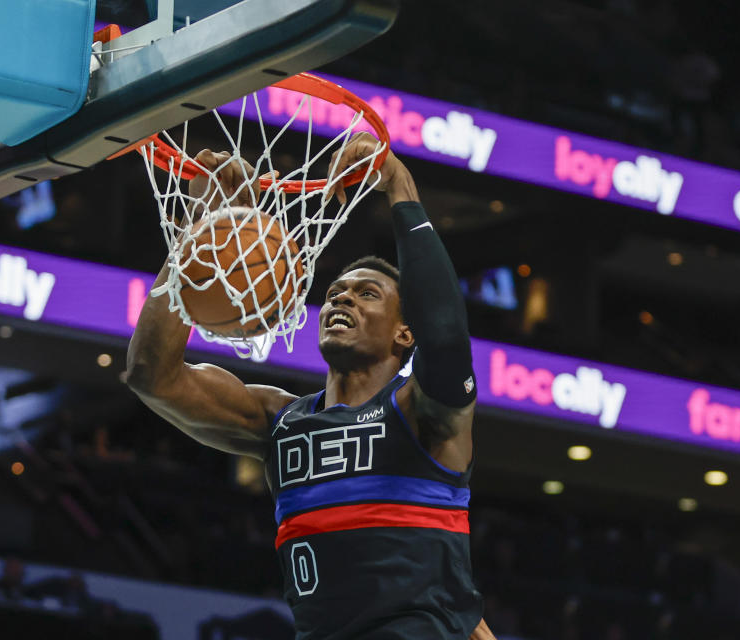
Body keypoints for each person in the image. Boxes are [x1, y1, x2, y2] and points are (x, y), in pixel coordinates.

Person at [125, 132, 495, 640]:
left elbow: (448, 334)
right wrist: (202, 230)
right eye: (336, 292)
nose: (343, 300)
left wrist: (399, 187)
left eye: (368, 294)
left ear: (406, 332)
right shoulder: (279, 421)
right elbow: (153, 376)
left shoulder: (422, 415)